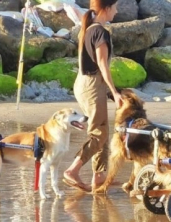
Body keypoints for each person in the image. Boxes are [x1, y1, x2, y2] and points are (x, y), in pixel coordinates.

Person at [63, 0, 122, 193]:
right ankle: (73, 170)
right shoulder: (100, 32)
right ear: (106, 8)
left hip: (86, 83)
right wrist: (114, 92)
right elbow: (102, 65)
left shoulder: (89, 29)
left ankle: (100, 176)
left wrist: (111, 91)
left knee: (102, 130)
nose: (117, 10)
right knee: (99, 133)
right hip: (92, 84)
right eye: (115, 6)